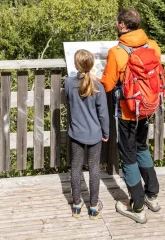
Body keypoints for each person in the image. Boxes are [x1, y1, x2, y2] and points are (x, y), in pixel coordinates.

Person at [101, 8, 161, 224]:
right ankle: (152, 195)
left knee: (128, 155)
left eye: (118, 22)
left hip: (128, 110)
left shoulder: (117, 52)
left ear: (123, 26)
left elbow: (107, 84)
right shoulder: (152, 45)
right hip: (147, 106)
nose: (117, 24)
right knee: (142, 146)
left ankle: (136, 205)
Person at [65, 49, 109, 220]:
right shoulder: (98, 86)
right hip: (94, 134)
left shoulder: (69, 83)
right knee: (94, 168)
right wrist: (106, 132)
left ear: (76, 65)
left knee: (76, 167)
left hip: (76, 132)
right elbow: (103, 114)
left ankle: (76, 205)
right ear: (91, 65)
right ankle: (94, 206)